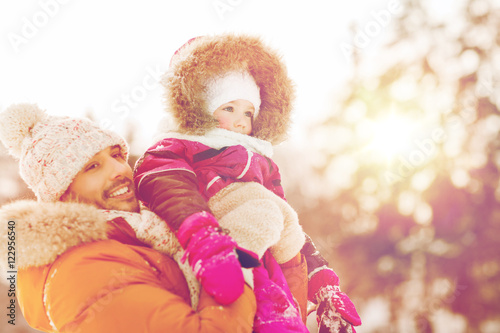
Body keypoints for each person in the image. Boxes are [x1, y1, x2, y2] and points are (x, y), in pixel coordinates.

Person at [133, 34, 361, 332]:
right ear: (198, 107)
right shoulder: (179, 146)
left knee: (278, 220)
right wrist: (207, 243)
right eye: (228, 108)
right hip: (214, 251)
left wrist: (321, 278)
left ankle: (322, 301)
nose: (240, 121)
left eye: (248, 112)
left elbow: (287, 224)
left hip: (267, 258)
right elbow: (168, 187)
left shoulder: (259, 159)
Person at [0, 103, 257, 333]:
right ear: (63, 196)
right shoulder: (82, 272)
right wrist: (236, 262)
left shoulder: (144, 233)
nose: (118, 170)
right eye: (92, 167)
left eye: (115, 155)